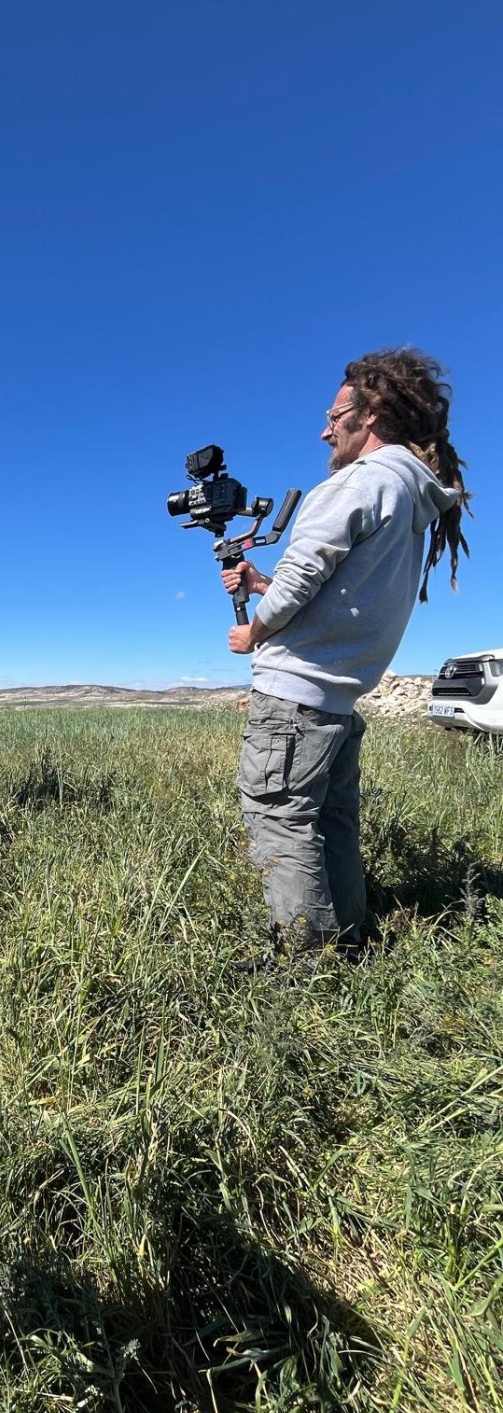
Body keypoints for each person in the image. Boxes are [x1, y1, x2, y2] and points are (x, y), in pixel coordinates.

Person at [223, 348, 469, 960]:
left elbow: (305, 574)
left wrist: (255, 629)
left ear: (373, 415)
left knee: (279, 816)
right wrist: (263, 585)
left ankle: (306, 962)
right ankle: (345, 940)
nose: (324, 428)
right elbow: (339, 587)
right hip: (338, 697)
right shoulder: (409, 494)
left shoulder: (358, 481)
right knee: (331, 822)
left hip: (297, 695)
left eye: (336, 414)